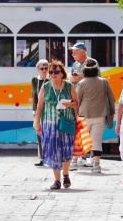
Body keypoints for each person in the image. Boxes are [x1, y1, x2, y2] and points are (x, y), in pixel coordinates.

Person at [33, 60, 78, 190]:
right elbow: (40, 106)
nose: (53, 74)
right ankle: (57, 180)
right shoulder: (46, 87)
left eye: (56, 72)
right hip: (50, 124)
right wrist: (36, 122)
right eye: (51, 72)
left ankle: (66, 174)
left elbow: (76, 103)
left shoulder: (69, 86)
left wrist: (69, 104)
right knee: (53, 151)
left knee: (66, 149)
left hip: (66, 122)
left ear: (62, 73)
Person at [76, 58, 115, 173]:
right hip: (100, 115)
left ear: (85, 72)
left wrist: (75, 114)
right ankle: (96, 165)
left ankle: (77, 161)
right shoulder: (104, 82)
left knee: (82, 140)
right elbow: (111, 98)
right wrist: (111, 113)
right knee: (96, 140)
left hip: (84, 115)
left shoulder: (81, 83)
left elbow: (77, 100)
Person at [69, 42, 100, 170]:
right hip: (77, 98)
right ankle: (81, 156)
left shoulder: (92, 62)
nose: (72, 54)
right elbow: (72, 79)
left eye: (75, 52)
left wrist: (79, 78)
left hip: (89, 100)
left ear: (83, 52)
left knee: (89, 130)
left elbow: (96, 78)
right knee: (79, 128)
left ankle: (86, 157)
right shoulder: (75, 65)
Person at [31, 59, 49, 166]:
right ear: (38, 69)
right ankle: (42, 157)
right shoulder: (34, 80)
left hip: (48, 111)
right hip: (37, 111)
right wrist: (34, 111)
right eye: (42, 68)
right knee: (39, 134)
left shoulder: (50, 80)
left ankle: (49, 156)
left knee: (49, 133)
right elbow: (34, 97)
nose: (44, 70)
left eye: (46, 68)